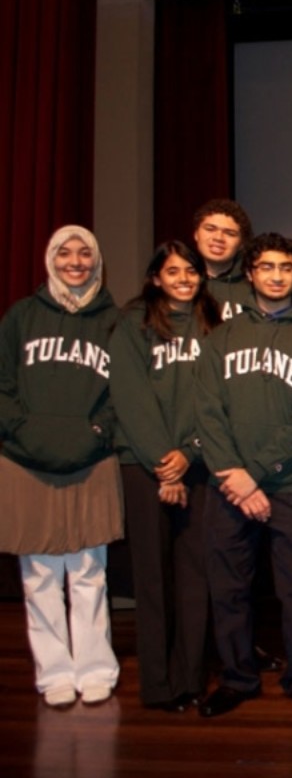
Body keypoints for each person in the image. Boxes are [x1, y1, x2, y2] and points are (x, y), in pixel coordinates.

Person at [194, 233, 292, 717]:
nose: (277, 276)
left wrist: (254, 473)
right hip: (227, 486)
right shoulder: (221, 338)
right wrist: (233, 476)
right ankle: (237, 677)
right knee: (229, 587)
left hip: (291, 484)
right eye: (267, 267)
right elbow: (206, 412)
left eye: (286, 268)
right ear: (250, 273)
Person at [0, 225, 123, 709]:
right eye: (65, 253)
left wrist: (98, 433)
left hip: (91, 460)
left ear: (97, 261)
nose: (76, 261)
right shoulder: (21, 317)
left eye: (85, 253)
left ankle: (95, 669)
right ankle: (54, 672)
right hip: (27, 463)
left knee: (90, 572)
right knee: (40, 575)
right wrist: (21, 432)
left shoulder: (114, 320)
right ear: (51, 260)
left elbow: (124, 393)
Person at [109, 240, 221, 712]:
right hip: (144, 465)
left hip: (199, 465)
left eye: (191, 271)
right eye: (173, 271)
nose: (183, 278)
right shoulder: (133, 326)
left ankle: (190, 677)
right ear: (156, 277)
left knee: (196, 577)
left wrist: (190, 454)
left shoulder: (214, 325)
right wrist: (163, 461)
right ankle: (157, 685)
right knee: (152, 577)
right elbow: (130, 398)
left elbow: (217, 397)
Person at [192, 199, 255, 321]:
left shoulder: (255, 285)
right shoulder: (177, 282)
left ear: (241, 243)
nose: (218, 238)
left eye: (230, 233)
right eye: (210, 229)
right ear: (196, 233)